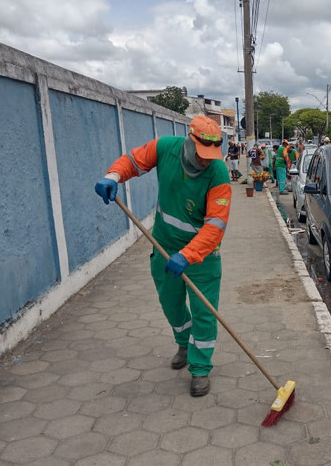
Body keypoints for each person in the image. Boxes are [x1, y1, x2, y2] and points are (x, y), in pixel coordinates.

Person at [94, 115, 231, 398]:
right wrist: (113, 175)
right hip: (164, 246)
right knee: (170, 304)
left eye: (211, 155)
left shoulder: (218, 173)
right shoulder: (165, 147)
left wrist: (188, 254)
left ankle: (200, 368)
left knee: (205, 312)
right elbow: (133, 161)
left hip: (202, 255)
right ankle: (184, 342)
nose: (206, 160)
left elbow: (216, 225)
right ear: (189, 142)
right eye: (202, 154)